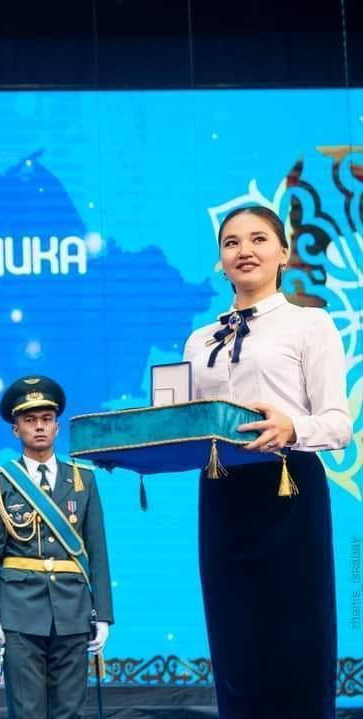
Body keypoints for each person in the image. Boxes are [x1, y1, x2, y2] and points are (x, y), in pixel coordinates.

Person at [182, 205, 350, 718]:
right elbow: (186, 426)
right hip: (221, 494)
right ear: (220, 261)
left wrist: (290, 428)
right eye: (232, 242)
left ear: (283, 253)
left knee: (297, 638)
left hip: (289, 490)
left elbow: (338, 424)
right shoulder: (199, 341)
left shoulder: (309, 324)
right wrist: (141, 450)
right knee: (234, 639)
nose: (245, 250)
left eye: (258, 239)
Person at [0, 375, 113, 719]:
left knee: (70, 712)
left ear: (57, 426)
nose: (39, 426)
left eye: (46, 419)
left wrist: (103, 615)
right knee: (26, 712)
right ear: (15, 429)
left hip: (73, 610)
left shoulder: (82, 479)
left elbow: (97, 550)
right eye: (30, 419)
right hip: (19, 612)